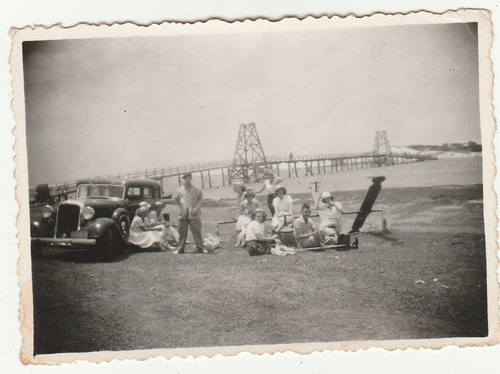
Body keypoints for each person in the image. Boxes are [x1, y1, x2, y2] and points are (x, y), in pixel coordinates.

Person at [173, 172, 208, 254]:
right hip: (183, 213)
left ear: (191, 178)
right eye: (185, 178)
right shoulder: (179, 190)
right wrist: (179, 203)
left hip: (194, 213)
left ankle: (201, 248)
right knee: (182, 232)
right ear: (183, 179)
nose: (187, 180)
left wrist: (197, 208)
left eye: (189, 178)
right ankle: (180, 249)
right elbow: (176, 200)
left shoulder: (197, 188)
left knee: (197, 231)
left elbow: (201, 199)